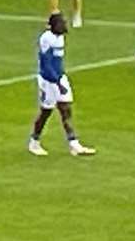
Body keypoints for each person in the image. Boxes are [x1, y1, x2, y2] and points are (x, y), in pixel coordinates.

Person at [29, 13, 96, 157]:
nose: (64, 26)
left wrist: (61, 78)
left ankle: (74, 143)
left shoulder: (60, 37)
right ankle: (34, 142)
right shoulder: (46, 39)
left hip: (59, 77)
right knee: (46, 112)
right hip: (48, 80)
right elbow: (46, 63)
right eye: (62, 23)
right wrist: (57, 83)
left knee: (66, 109)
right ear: (54, 26)